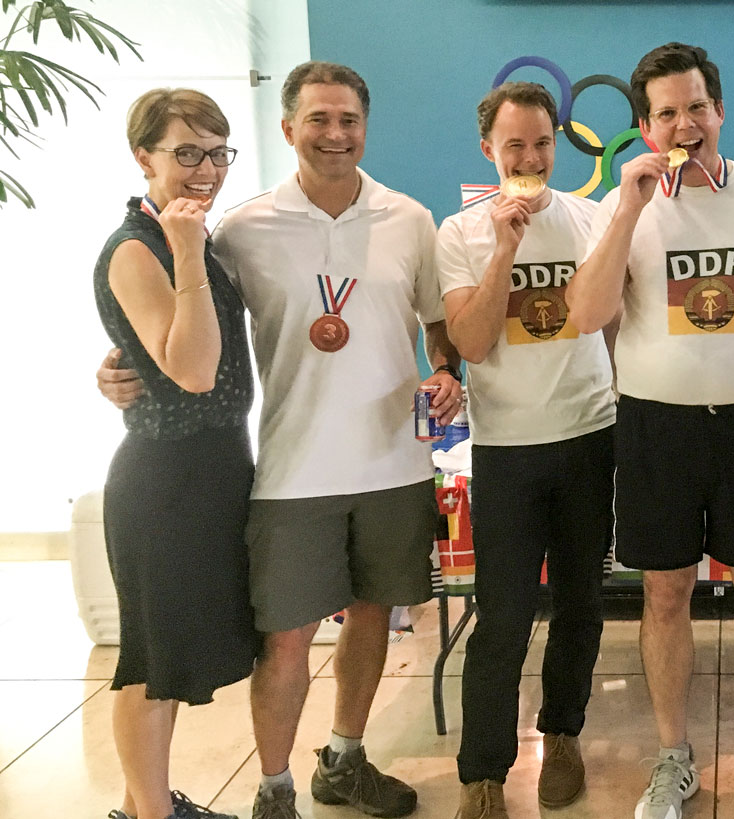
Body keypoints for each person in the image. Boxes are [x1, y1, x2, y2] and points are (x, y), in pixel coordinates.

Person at [99, 61, 463, 819]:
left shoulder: (410, 218)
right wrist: (115, 364)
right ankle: (274, 789)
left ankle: (346, 758)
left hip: (394, 460)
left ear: (366, 128)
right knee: (285, 640)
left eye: (349, 120)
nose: (335, 134)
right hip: (291, 468)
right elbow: (174, 317)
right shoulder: (239, 228)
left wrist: (446, 368)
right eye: (319, 119)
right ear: (289, 128)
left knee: (373, 614)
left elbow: (438, 322)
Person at [567, 42, 734, 819]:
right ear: (646, 127)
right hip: (655, 427)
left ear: (720, 111)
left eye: (696, 107)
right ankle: (672, 759)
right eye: (666, 113)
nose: (684, 124)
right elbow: (585, 316)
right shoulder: (626, 206)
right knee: (664, 594)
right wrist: (628, 207)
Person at [435, 81, 617, 819]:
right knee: (502, 614)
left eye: (542, 143)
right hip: (506, 446)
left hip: (587, 434)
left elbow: (607, 322)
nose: (531, 157)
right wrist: (503, 249)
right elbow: (472, 342)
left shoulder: (591, 218)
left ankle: (564, 732)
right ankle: (482, 772)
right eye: (515, 145)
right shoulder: (458, 233)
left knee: (582, 601)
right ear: (489, 150)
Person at [96, 88, 259, 819]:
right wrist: (190, 251)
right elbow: (193, 370)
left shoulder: (185, 237)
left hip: (216, 469)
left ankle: (146, 806)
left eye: (216, 152)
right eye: (185, 152)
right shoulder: (140, 246)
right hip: (163, 480)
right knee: (149, 665)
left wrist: (119, 358)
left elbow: (167, 351)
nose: (206, 169)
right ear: (144, 157)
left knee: (176, 655)